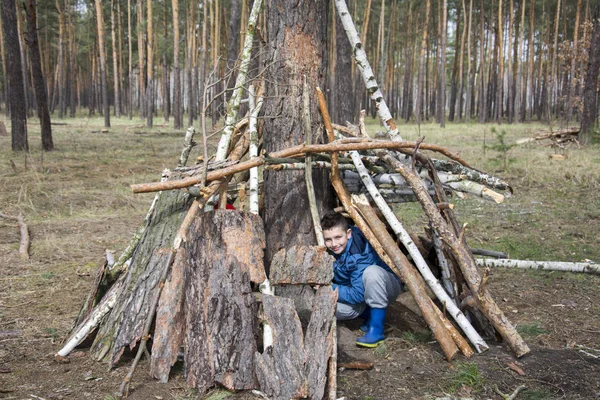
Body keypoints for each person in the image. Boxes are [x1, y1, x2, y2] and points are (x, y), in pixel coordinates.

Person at [321, 212, 402, 348]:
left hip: (386, 287)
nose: (334, 244)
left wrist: (329, 288)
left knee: (372, 273)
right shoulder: (330, 248)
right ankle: (369, 312)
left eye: (338, 237)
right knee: (327, 308)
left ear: (348, 234)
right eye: (328, 239)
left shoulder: (358, 253)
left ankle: (376, 331)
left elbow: (357, 294)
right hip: (356, 291)